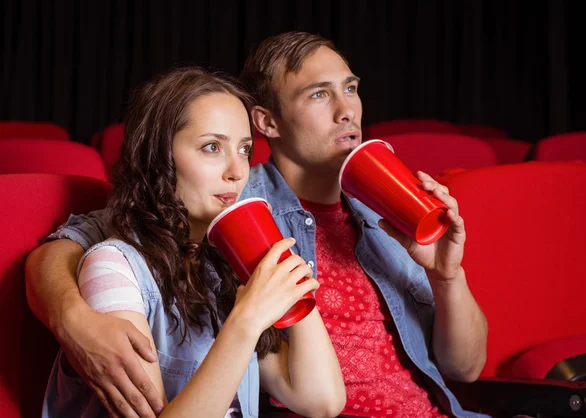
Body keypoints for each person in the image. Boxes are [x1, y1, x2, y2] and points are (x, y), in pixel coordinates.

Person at [27, 32, 488, 418]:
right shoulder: (235, 213)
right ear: (269, 121)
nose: (347, 110)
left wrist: (445, 274)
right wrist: (71, 316)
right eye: (319, 94)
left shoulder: (380, 216)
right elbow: (95, 237)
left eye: (350, 88)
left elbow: (462, 370)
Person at [40, 66, 345, 418]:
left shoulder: (221, 266)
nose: (237, 171)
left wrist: (285, 273)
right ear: (159, 157)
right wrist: (245, 321)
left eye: (245, 149)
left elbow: (322, 401)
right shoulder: (111, 267)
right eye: (212, 147)